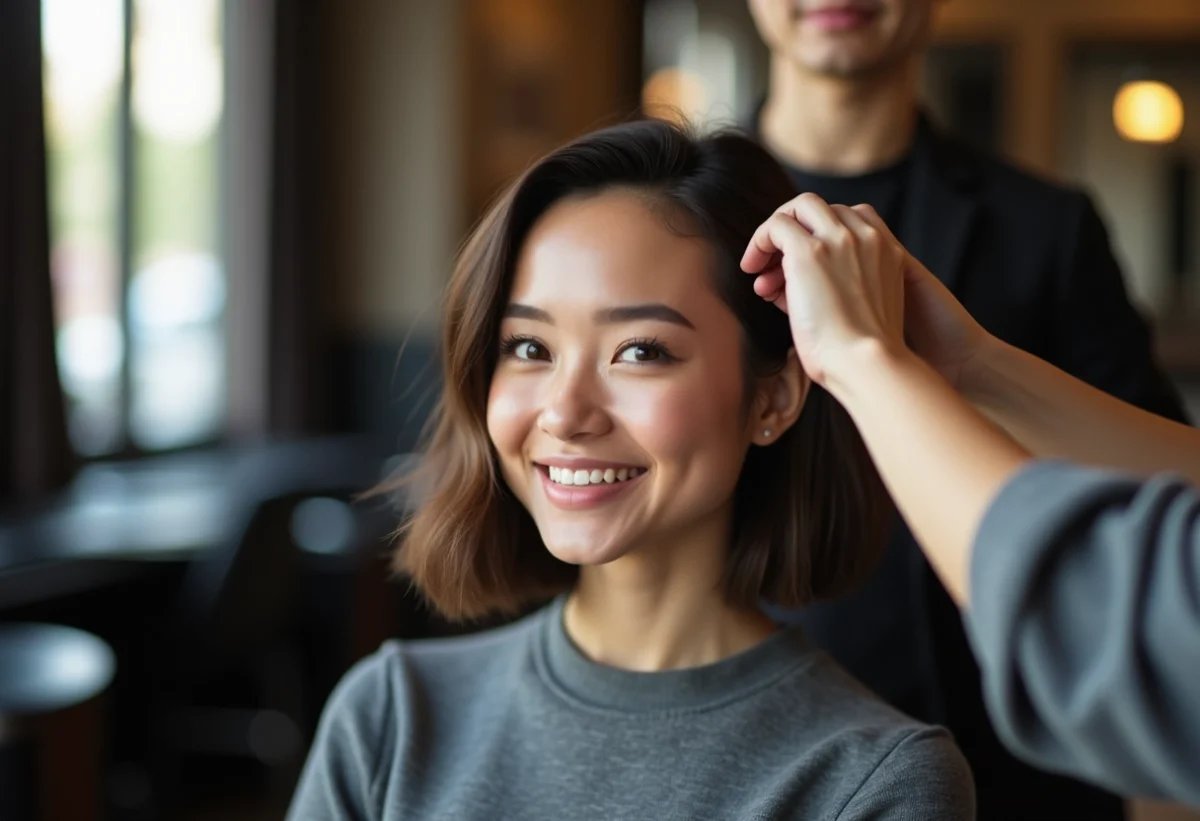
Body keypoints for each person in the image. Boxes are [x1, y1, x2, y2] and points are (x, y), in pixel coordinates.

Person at [286, 121, 975, 820]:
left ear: (772, 396)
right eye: (528, 346)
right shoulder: (391, 718)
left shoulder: (873, 780)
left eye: (640, 351)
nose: (566, 411)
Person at [744, 1, 1190, 816]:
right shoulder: (676, 214)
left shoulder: (1049, 226)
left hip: (1008, 757)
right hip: (760, 746)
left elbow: (1158, 500)